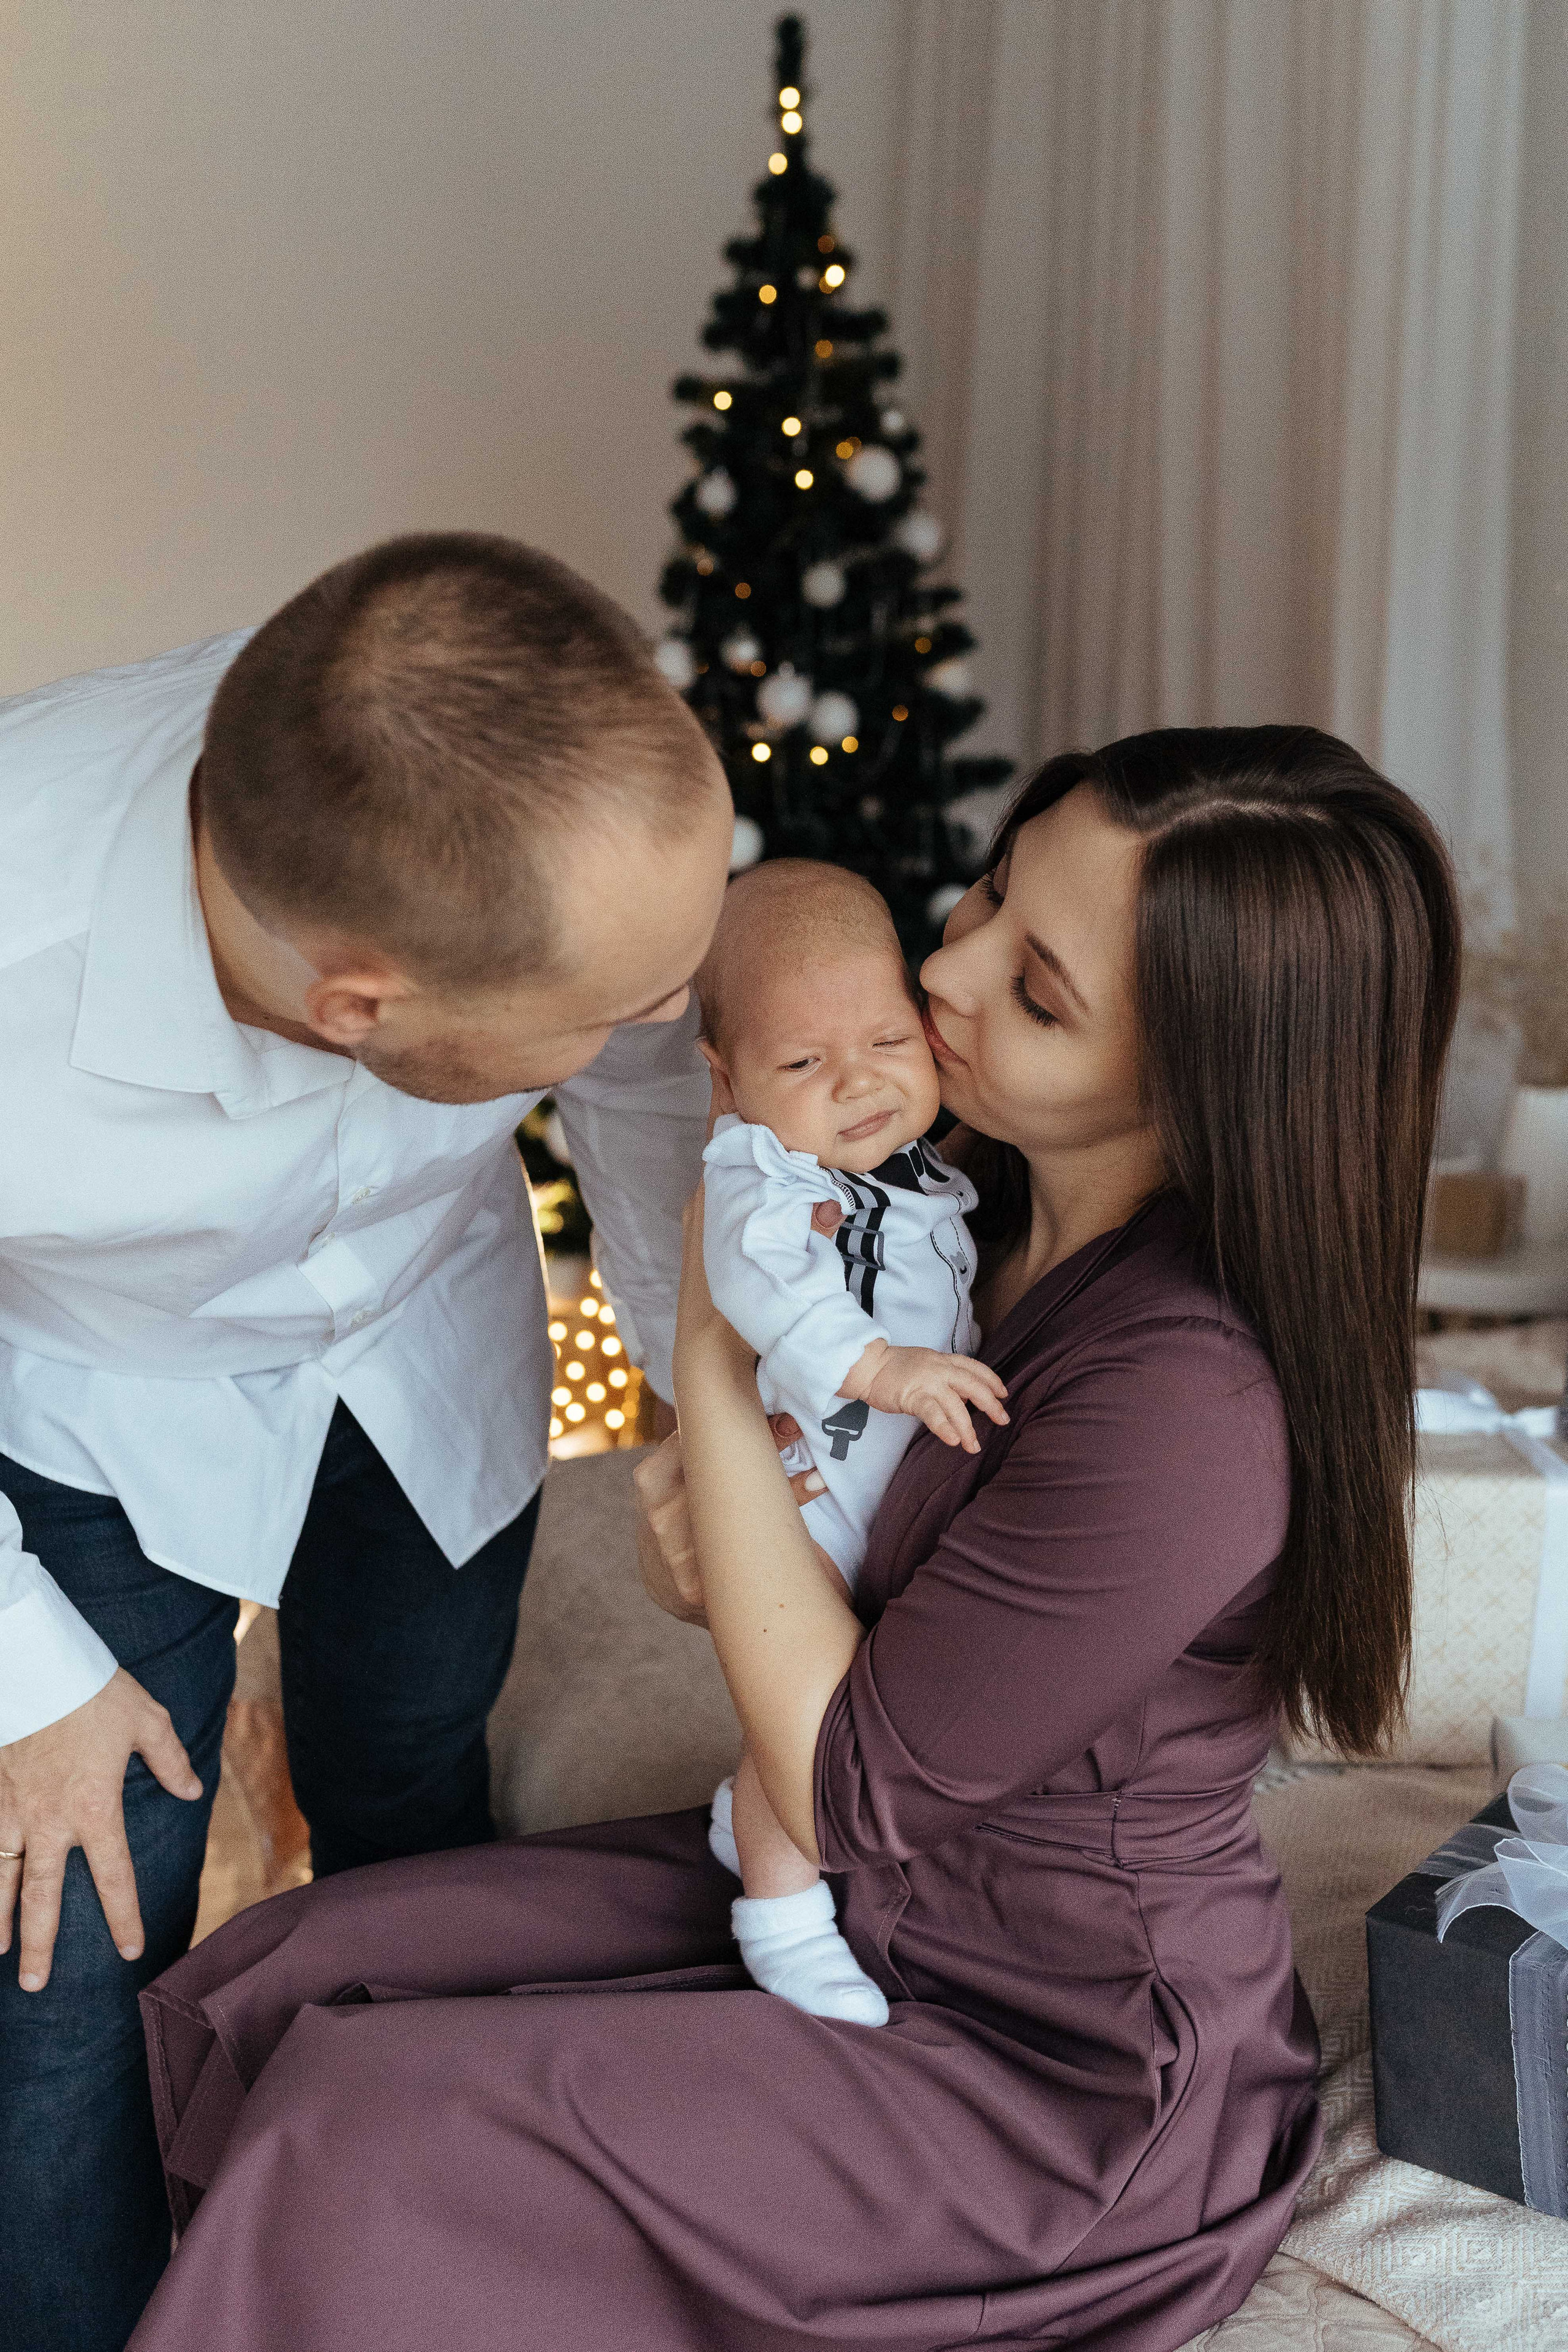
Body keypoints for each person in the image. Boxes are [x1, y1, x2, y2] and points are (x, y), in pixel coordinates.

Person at [126, 726, 1458, 2352]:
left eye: (1036, 990)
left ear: (1205, 1081)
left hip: (1057, 2072)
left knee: (370, 2127)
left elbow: (843, 1768)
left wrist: (701, 1352)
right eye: (980, 897)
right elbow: (792, 1569)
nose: (945, 976)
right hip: (870, 1901)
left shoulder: (1187, 1405)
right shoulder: (954, 1207)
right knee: (288, 1967)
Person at [0, 532, 733, 2352]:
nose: (651, 1023)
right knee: (69, 1955)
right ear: (361, 1009)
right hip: (104, 1402)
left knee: (415, 1802)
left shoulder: (525, 784)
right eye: (596, 1013)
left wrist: (685, 1395)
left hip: (425, 1348)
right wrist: (21, 1679)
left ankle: (377, 2271)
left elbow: (651, 1080)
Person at [695, 859, 1005, 2024]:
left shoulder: (918, 1161)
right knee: (817, 1720)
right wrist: (884, 1369)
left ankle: (745, 1809)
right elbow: (762, 1284)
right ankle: (778, 1914)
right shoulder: (758, 1172)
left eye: (888, 1040)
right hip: (813, 1492)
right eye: (802, 1063)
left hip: (889, 1486)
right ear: (727, 1083)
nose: (858, 1084)